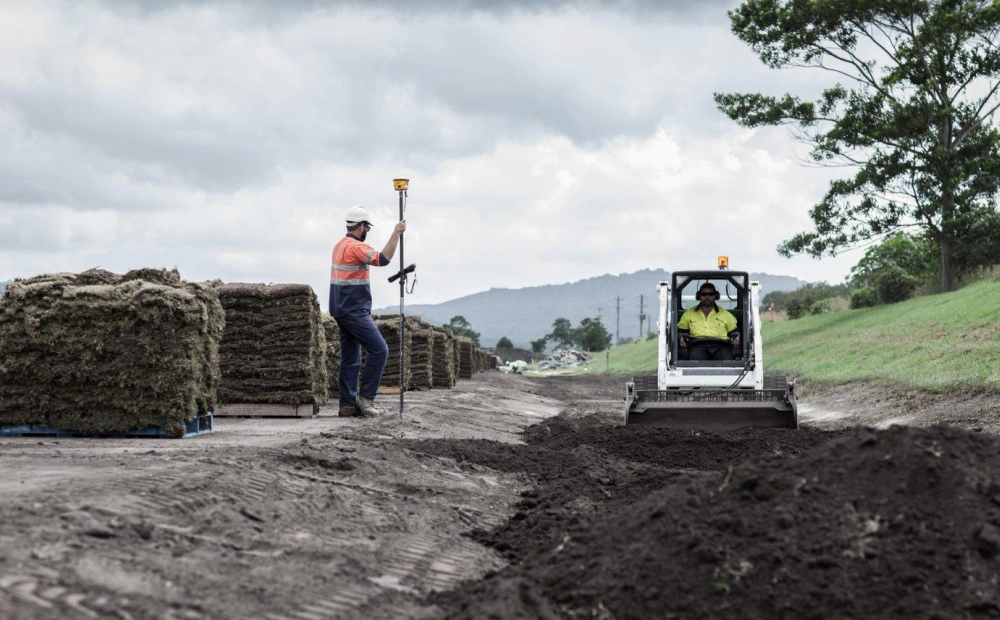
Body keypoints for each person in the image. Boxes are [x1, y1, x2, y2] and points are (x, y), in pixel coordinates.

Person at [330, 206, 406, 418]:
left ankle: (346, 404)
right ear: (362, 226)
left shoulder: (339, 245)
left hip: (339, 308)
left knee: (351, 357)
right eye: (367, 228)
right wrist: (396, 233)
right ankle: (366, 399)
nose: (367, 232)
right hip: (354, 309)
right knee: (380, 350)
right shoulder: (356, 247)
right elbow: (383, 259)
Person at [677, 282, 740, 361]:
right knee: (694, 359)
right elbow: (682, 332)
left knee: (726, 359)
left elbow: (735, 332)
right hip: (697, 346)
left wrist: (736, 339)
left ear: (715, 296)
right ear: (699, 296)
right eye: (704, 294)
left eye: (710, 294)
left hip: (721, 346)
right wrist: (682, 339)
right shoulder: (688, 314)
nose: (707, 297)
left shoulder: (725, 314)